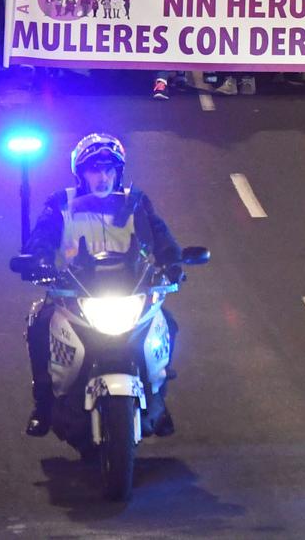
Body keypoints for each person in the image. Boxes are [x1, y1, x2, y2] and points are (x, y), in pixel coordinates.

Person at [22, 135, 185, 438]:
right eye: (95, 170)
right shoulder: (61, 203)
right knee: (39, 324)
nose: (103, 177)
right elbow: (41, 239)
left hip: (131, 290)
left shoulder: (135, 202)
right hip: (74, 292)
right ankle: (43, 406)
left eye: (109, 170)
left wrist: (173, 262)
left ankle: (158, 397)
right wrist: (38, 261)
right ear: (80, 174)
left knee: (169, 324)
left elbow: (161, 237)